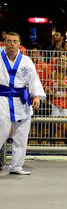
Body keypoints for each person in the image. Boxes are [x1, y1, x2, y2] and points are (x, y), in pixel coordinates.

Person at [1, 32, 45, 175]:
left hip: (21, 100)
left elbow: (34, 80)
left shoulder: (26, 61)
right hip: (2, 99)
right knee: (1, 131)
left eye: (15, 41)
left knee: (21, 134)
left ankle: (16, 166)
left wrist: (36, 96)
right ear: (4, 42)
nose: (12, 44)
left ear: (20, 44)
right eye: (9, 41)